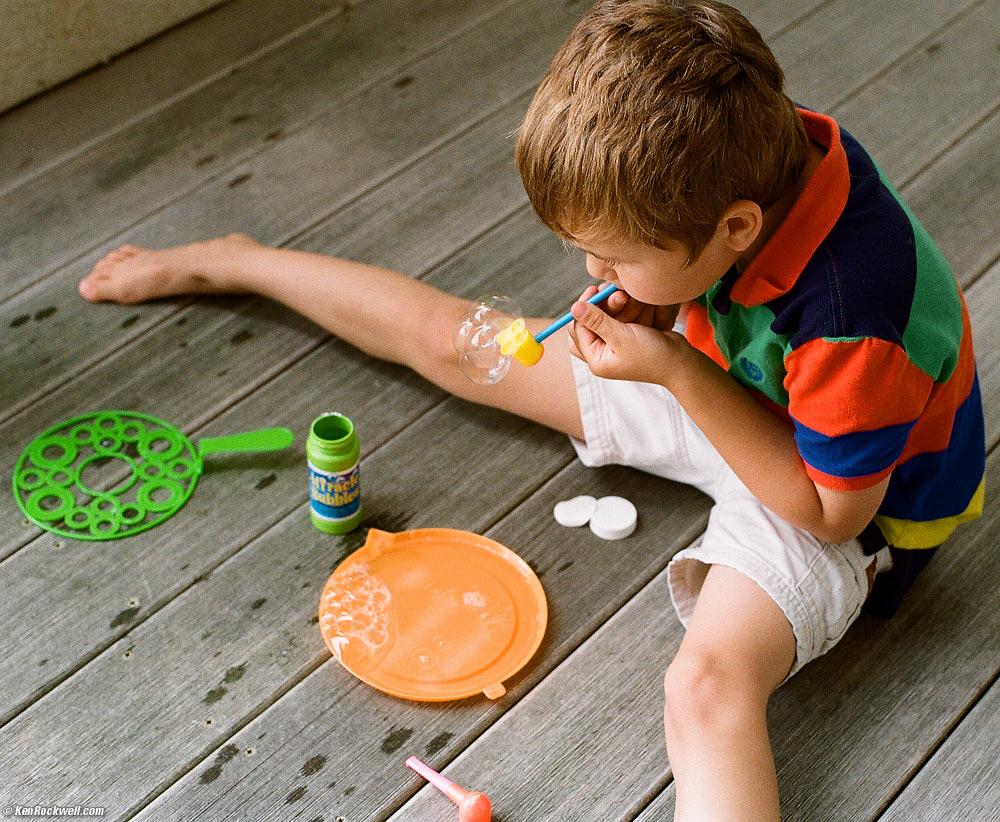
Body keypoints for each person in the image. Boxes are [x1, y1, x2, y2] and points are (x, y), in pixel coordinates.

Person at [78, 1, 985, 818]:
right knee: (456, 341)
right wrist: (668, 310)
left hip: (843, 498)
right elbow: (705, 287)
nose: (592, 276)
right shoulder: (754, 146)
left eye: (613, 258)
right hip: (737, 385)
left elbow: (829, 511)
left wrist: (676, 367)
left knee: (705, 691)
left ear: (735, 228)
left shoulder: (853, 318)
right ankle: (239, 259)